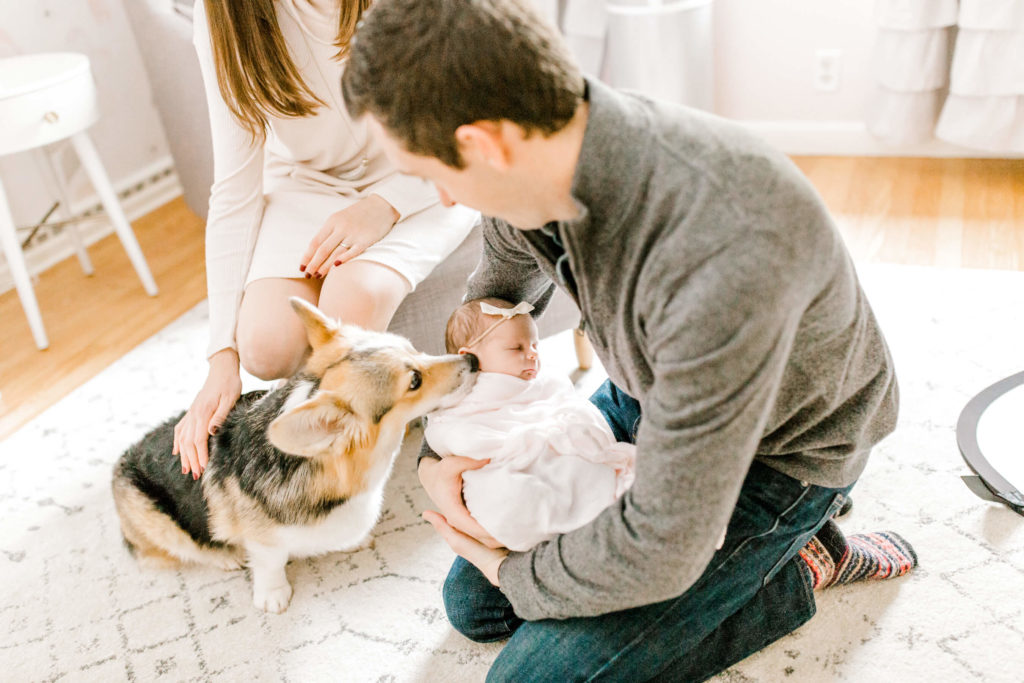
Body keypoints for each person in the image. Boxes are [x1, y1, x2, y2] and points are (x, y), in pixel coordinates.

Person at [342, 1, 919, 679]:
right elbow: (481, 325)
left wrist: (510, 569)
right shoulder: (538, 165)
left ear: (486, 144)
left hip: (780, 452)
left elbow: (663, 544)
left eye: (434, 174)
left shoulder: (722, 254)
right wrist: (437, 466)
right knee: (477, 606)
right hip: (648, 393)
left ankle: (797, 562)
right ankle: (740, 570)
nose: (443, 199)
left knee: (528, 669)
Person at [173, 0, 477, 478]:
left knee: (353, 298)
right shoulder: (222, 15)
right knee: (264, 347)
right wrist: (220, 357)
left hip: (423, 169)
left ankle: (348, 472)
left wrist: (384, 205)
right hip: (307, 182)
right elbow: (234, 191)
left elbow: (470, 116)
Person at [424, 297, 635, 552]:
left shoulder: (541, 382)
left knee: (580, 470)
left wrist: (557, 431)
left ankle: (595, 506)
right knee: (509, 499)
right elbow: (450, 433)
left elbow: (562, 399)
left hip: (551, 445)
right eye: (516, 348)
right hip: (504, 462)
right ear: (469, 358)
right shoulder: (459, 400)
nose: (533, 354)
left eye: (535, 345)